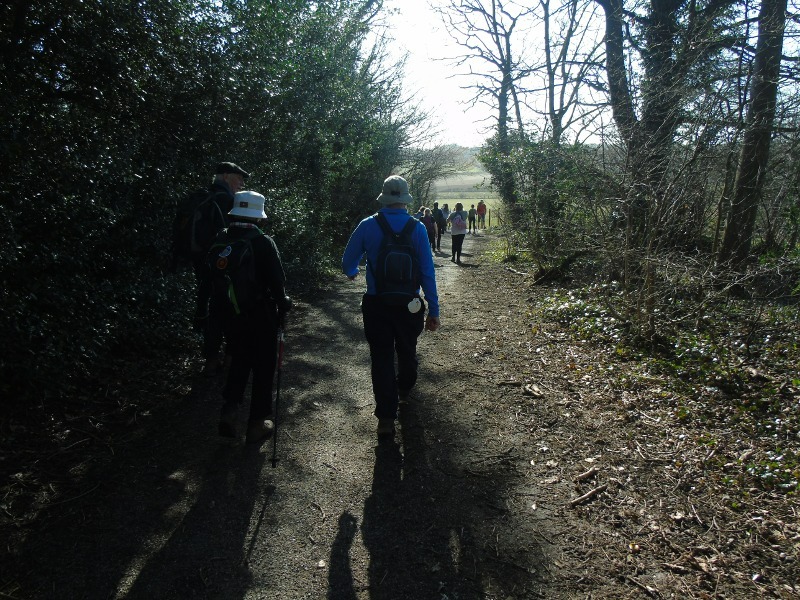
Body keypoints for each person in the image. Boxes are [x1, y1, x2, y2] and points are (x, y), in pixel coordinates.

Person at [342, 175, 440, 439]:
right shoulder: (418, 228)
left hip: (377, 304)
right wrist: (434, 309)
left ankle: (385, 418)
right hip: (410, 303)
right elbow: (427, 272)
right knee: (407, 350)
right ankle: (405, 390)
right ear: (405, 199)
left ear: (384, 197)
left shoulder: (367, 225)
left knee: (382, 358)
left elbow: (347, 262)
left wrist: (353, 271)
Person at [212, 190, 292, 445]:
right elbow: (277, 284)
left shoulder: (222, 239)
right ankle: (257, 424)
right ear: (259, 216)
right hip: (260, 315)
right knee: (263, 366)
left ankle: (230, 409)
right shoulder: (263, 242)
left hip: (230, 314)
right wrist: (284, 304)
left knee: (238, 359)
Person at [195, 162, 249, 375]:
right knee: (232, 310)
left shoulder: (203, 197)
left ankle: (210, 359)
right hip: (225, 267)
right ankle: (230, 357)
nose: (242, 183)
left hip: (203, 265)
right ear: (226, 176)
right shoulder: (228, 201)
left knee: (213, 309)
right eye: (238, 178)